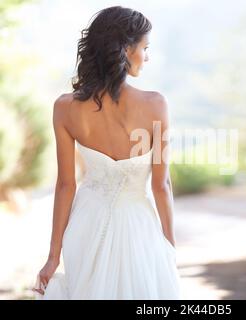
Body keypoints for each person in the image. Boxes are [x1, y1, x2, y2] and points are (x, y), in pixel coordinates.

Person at [32, 5, 181, 299]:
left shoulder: (64, 108)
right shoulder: (155, 105)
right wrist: (170, 246)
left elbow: (65, 185)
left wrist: (53, 257)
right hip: (138, 228)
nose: (147, 56)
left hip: (86, 226)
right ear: (127, 49)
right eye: (145, 47)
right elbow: (160, 185)